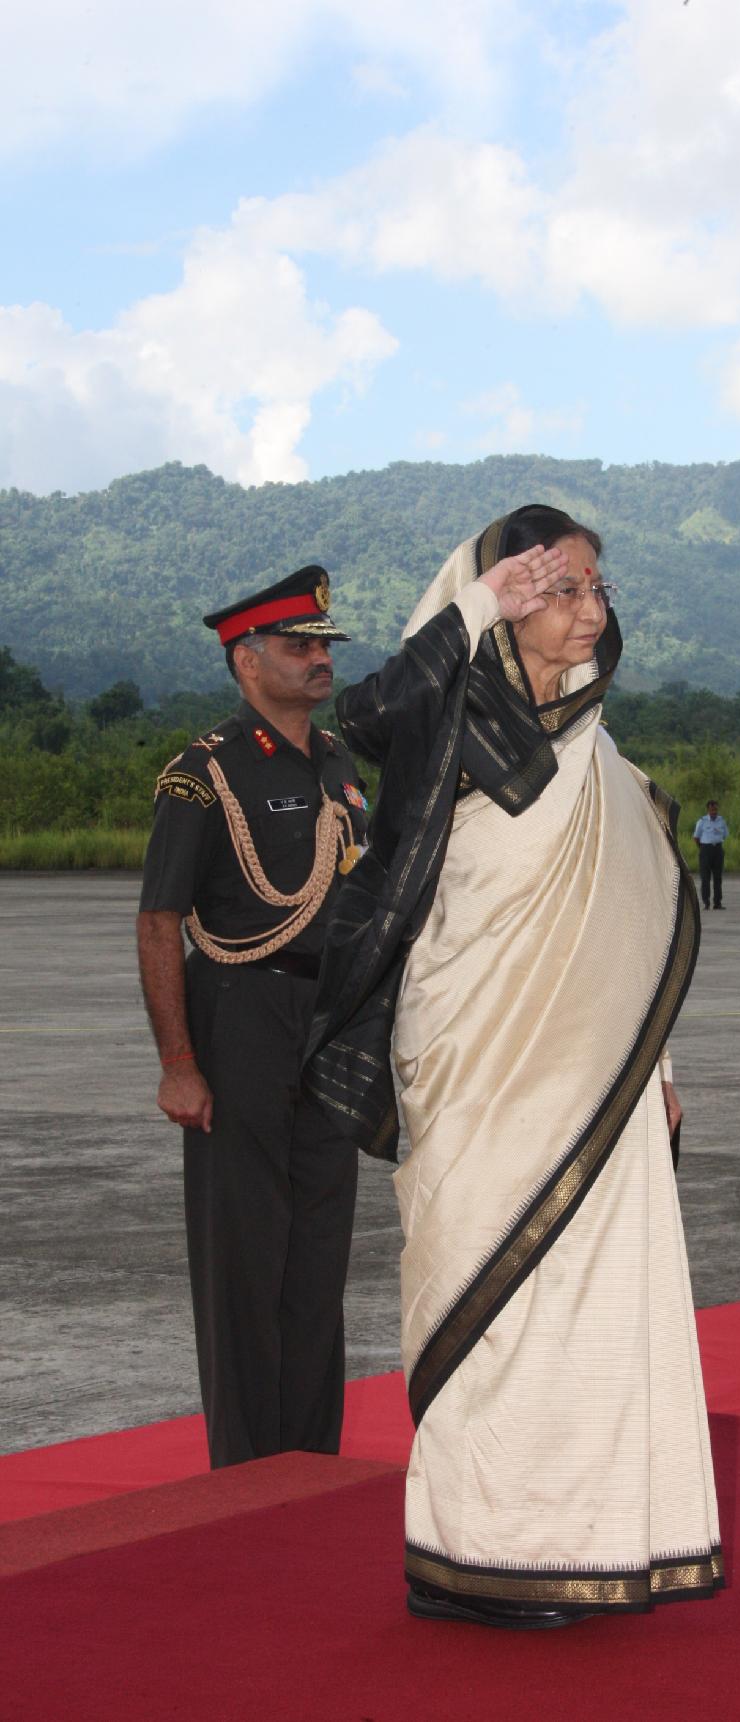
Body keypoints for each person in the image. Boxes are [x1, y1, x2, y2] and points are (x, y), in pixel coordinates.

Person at [306, 505, 722, 1629]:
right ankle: (467, 1552)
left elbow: (626, 929)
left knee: (585, 1298)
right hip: (470, 1051)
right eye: (561, 588)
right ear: (506, 596)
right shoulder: (444, 720)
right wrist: (479, 603)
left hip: (594, 1073)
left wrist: (657, 1067)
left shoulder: (605, 763)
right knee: (478, 1284)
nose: (589, 610)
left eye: (597, 589)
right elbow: (366, 711)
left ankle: (575, 1545)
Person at [137, 566, 369, 1469]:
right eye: (298, 645)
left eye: (323, 646)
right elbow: (160, 918)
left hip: (328, 1018)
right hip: (239, 1010)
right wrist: (178, 1060)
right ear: (247, 661)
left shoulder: (339, 762)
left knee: (319, 1249)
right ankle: (243, 1470)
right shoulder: (205, 774)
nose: (319, 659)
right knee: (243, 1252)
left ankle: (309, 1461)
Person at [693, 798, 729, 909]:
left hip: (717, 849)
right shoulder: (702, 821)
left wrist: (716, 843)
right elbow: (696, 837)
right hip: (705, 850)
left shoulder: (721, 821)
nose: (714, 812)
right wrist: (703, 848)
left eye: (715, 810)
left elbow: (725, 835)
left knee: (718, 878)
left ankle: (717, 903)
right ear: (708, 810)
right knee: (705, 878)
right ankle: (706, 902)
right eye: (712, 810)